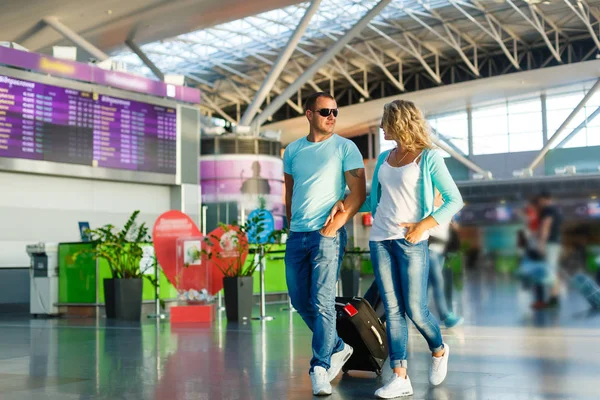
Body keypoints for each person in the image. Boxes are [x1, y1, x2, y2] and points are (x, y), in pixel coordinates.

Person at [352, 99, 463, 398]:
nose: (380, 127)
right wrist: (342, 202)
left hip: (411, 240)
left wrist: (422, 225)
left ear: (399, 122)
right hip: (380, 239)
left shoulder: (428, 158)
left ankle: (439, 349)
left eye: (384, 121)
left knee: (415, 309)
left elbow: (454, 200)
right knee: (392, 309)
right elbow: (376, 198)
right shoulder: (386, 159)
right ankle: (400, 376)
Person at [283, 92, 366, 396]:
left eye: (335, 112)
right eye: (325, 112)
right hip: (297, 235)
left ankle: (319, 366)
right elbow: (290, 192)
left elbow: (357, 193)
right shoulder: (292, 150)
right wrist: (292, 225)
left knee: (322, 300)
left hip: (327, 234)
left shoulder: (346, 147)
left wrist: (334, 226)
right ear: (309, 114)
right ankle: (337, 347)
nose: (332, 116)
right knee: (299, 301)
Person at [428, 191, 464, 328]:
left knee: (428, 285)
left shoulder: (446, 204)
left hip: (440, 250)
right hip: (430, 248)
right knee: (438, 282)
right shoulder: (428, 204)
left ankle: (419, 315)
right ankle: (446, 316)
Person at [532, 191, 563, 309]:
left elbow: (546, 226)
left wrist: (541, 244)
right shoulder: (557, 210)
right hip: (555, 243)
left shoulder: (548, 210)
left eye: (540, 200)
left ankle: (554, 299)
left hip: (549, 244)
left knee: (550, 271)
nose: (539, 203)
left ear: (544, 199)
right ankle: (554, 298)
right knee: (552, 270)